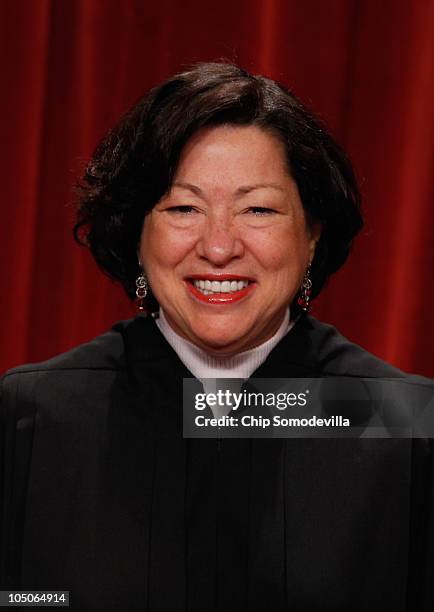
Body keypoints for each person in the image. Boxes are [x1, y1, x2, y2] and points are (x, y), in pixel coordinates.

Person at [1, 62, 432, 611]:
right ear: (137, 233)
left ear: (313, 236)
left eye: (258, 209)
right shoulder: (33, 417)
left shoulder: (401, 423)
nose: (220, 246)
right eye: (184, 208)